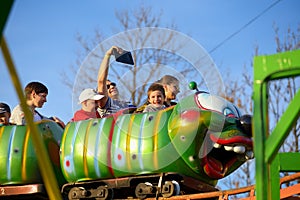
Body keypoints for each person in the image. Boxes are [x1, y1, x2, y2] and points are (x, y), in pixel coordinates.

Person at [96, 46, 133, 117]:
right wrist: (107, 55)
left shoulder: (128, 105)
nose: (112, 86)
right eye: (107, 86)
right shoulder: (106, 105)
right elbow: (101, 81)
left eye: (113, 84)